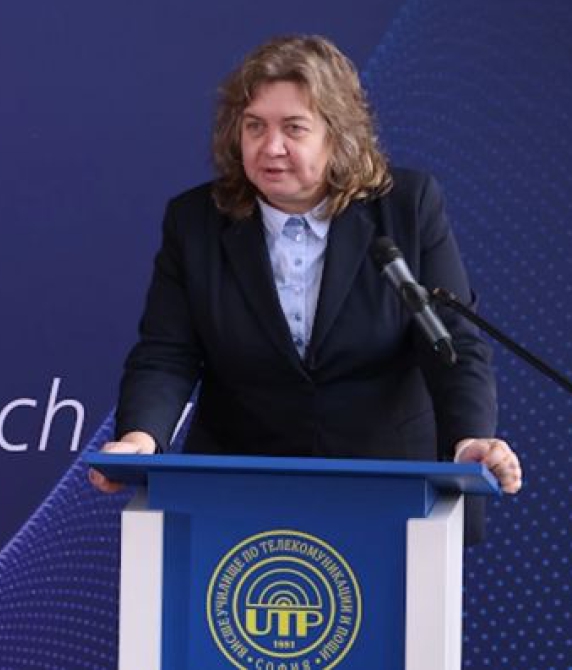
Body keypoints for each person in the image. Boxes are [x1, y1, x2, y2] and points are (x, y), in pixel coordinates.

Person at [88, 35, 521, 541]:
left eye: (293, 128)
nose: (271, 147)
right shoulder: (194, 221)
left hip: (389, 488)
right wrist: (141, 438)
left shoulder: (407, 207)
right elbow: (166, 353)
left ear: (339, 136)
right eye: (254, 126)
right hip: (241, 488)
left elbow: (452, 342)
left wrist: (469, 440)